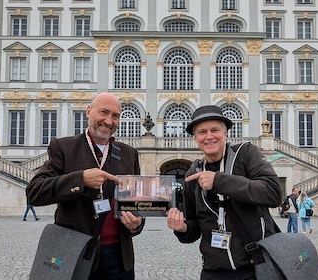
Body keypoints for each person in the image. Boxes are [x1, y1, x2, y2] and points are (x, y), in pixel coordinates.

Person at [26, 92, 145, 280]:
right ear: (89, 111)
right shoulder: (64, 148)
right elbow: (35, 192)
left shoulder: (129, 154)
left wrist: (136, 224)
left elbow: (137, 204)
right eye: (104, 112)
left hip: (120, 258)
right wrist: (79, 179)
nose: (108, 121)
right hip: (76, 253)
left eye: (115, 116)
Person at [166, 105, 282, 280]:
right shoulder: (192, 173)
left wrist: (219, 181)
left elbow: (273, 193)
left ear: (225, 132)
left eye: (215, 130)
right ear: (195, 138)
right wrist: (182, 228)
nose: (209, 136)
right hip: (213, 270)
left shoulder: (246, 154)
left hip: (255, 266)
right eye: (202, 132)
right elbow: (194, 228)